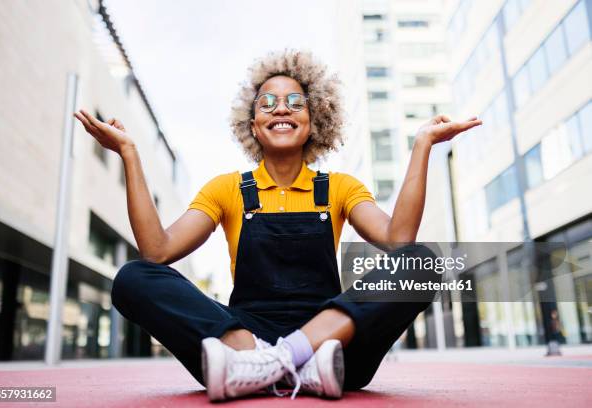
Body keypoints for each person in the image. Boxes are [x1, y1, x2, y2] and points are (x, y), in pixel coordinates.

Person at [74, 50, 482, 401]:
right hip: (239, 340)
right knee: (133, 277)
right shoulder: (226, 189)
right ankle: (258, 358)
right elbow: (157, 251)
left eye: (294, 101)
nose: (280, 108)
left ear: (314, 121)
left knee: (419, 264)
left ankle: (279, 361)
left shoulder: (340, 188)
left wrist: (422, 146)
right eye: (267, 102)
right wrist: (129, 153)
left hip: (335, 348)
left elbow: (399, 239)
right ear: (253, 125)